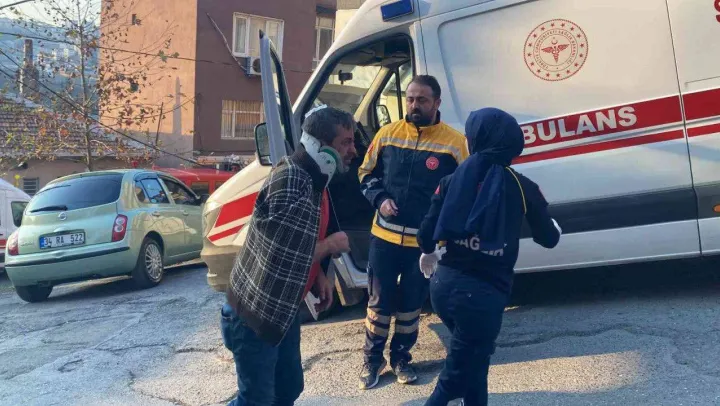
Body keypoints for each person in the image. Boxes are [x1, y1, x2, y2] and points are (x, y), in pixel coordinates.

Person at [416, 108, 562, 406]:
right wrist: (554, 225)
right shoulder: (522, 186)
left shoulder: (451, 181)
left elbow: (425, 236)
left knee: (475, 365)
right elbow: (549, 239)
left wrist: (429, 252)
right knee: (452, 381)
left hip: (443, 288)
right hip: (481, 298)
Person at [221, 106, 357, 406]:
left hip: (283, 310)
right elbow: (281, 257)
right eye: (346, 142)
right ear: (321, 146)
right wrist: (330, 246)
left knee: (288, 390)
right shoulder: (291, 181)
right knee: (256, 401)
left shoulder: (315, 179)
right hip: (254, 315)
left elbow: (302, 238)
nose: (353, 150)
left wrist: (318, 276)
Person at [357, 75, 470, 389]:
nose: (414, 105)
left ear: (436, 103)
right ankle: (372, 361)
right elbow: (365, 173)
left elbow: (464, 191)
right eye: (410, 99)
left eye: (422, 100)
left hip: (423, 246)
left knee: (410, 306)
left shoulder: (455, 143)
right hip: (384, 238)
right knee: (378, 303)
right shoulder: (387, 134)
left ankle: (401, 359)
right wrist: (379, 199)